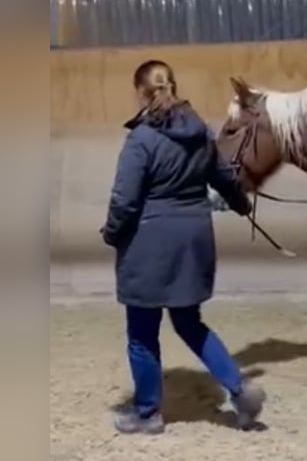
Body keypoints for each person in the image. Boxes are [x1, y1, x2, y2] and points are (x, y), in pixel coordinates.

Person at [100, 59, 265, 434]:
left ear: (141, 92)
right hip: (194, 239)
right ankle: (239, 391)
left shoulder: (141, 139)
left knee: (142, 332)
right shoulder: (200, 132)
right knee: (190, 323)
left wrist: (111, 233)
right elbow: (223, 177)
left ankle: (147, 414)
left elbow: (124, 200)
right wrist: (241, 204)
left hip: (149, 241)